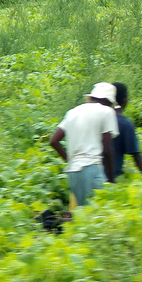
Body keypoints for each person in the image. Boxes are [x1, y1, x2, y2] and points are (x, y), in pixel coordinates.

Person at [50, 82, 119, 210]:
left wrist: (70, 160)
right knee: (103, 213)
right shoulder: (107, 111)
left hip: (73, 172)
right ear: (108, 101)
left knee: (85, 216)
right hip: (92, 168)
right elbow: (108, 149)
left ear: (92, 97)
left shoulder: (72, 112)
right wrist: (111, 178)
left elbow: (54, 141)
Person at [110, 82, 142, 179]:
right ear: (125, 101)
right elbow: (136, 157)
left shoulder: (97, 118)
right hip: (112, 178)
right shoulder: (125, 124)